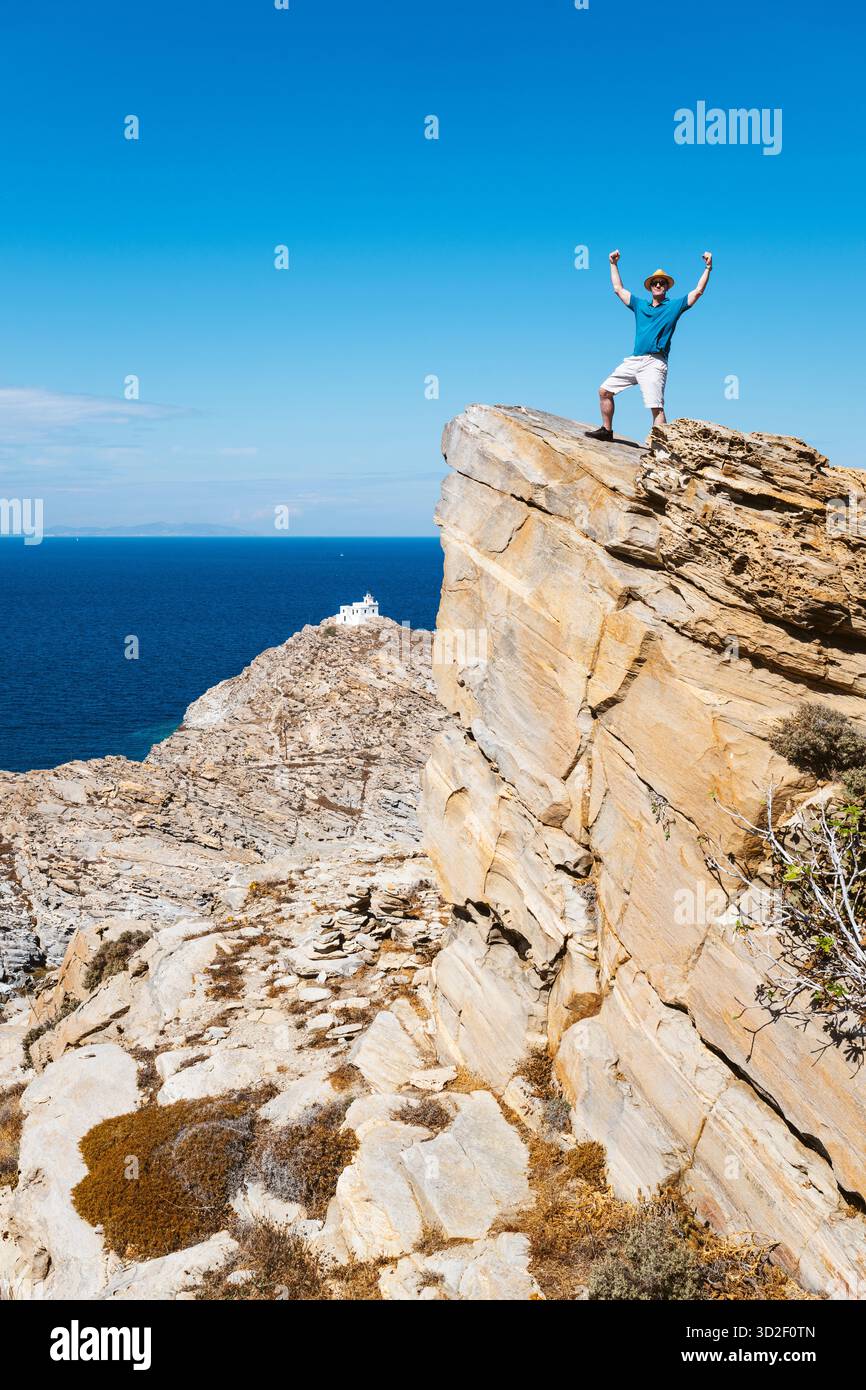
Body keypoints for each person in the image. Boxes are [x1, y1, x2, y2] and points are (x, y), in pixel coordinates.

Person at [585, 250, 712, 441]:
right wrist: (613, 264)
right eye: (655, 283)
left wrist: (708, 267)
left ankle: (661, 447)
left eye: (662, 282)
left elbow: (698, 291)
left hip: (655, 362)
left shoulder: (674, 306)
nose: (658, 284)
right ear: (650, 287)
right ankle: (606, 430)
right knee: (604, 391)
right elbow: (618, 289)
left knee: (656, 407)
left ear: (667, 287)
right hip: (635, 359)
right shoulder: (640, 305)